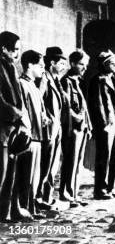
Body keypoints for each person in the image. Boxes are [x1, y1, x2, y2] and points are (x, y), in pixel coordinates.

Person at [0, 31, 30, 222]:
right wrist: (17, 113)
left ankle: (5, 212)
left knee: (10, 173)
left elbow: (17, 97)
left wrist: (21, 117)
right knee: (1, 174)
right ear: (4, 48)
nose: (18, 54)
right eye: (15, 50)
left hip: (12, 127)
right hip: (2, 128)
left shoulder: (10, 66)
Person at [17, 50, 50, 219]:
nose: (43, 69)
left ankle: (32, 207)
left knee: (35, 177)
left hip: (38, 135)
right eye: (40, 66)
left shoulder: (34, 85)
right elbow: (23, 111)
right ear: (29, 65)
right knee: (27, 176)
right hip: (30, 137)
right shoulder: (22, 84)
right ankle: (24, 208)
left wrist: (43, 118)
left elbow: (38, 108)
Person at [87, 50, 115, 200]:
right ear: (104, 64)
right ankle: (100, 189)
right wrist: (103, 124)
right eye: (112, 63)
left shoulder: (113, 79)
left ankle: (110, 187)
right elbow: (98, 105)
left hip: (114, 123)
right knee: (104, 157)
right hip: (106, 125)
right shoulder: (98, 80)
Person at [35, 47, 68, 210]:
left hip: (56, 128)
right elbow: (38, 100)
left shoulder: (56, 79)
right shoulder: (44, 78)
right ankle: (39, 198)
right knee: (45, 164)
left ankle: (47, 197)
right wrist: (45, 117)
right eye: (61, 63)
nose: (63, 67)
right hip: (48, 129)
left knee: (53, 164)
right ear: (52, 63)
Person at [59, 50, 91, 207]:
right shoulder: (66, 81)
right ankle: (66, 194)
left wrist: (88, 125)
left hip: (81, 128)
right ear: (72, 64)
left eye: (86, 65)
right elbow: (67, 107)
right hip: (72, 129)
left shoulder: (77, 81)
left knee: (77, 163)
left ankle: (74, 194)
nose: (84, 68)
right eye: (81, 64)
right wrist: (79, 119)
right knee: (70, 162)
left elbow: (84, 106)